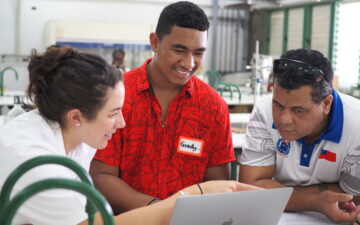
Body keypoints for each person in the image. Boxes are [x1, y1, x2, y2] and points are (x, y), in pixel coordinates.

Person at [0, 46, 259, 225]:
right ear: (76, 116)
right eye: (113, 113)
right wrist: (195, 194)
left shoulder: (74, 135)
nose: (122, 123)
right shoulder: (36, 162)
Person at [90, 1, 235, 214]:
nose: (188, 63)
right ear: (155, 42)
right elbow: (101, 175)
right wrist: (158, 210)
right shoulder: (117, 95)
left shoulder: (212, 107)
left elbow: (219, 185)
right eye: (179, 49)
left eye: (198, 53)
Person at [239, 48, 360, 223]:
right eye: (278, 105)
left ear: (326, 104)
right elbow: (250, 188)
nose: (284, 120)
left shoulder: (357, 125)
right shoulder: (263, 110)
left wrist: (274, 190)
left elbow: (353, 197)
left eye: (298, 110)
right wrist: (316, 201)